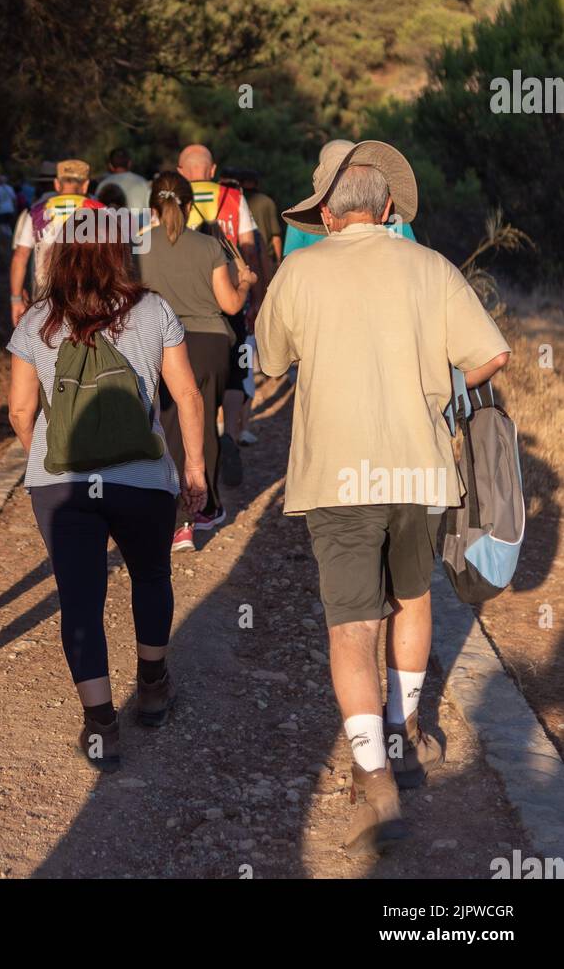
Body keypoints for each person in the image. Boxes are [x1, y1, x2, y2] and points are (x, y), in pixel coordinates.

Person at [254, 140, 510, 855]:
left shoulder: (300, 272)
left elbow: (268, 360)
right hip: (416, 468)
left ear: (327, 216)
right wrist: (438, 390)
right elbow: (491, 354)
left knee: (349, 624)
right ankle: (406, 732)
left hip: (338, 472)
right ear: (388, 206)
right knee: (412, 599)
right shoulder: (430, 268)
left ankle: (372, 778)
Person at [7, 229, 207, 771]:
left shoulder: (36, 320)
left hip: (63, 487)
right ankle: (152, 687)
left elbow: (20, 413)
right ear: (120, 257)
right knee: (150, 577)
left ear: (60, 261)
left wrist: (47, 457)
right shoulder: (153, 309)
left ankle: (100, 725)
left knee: (80, 597)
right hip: (141, 478)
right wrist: (193, 468)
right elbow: (186, 394)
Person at [137, 172, 255, 550]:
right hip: (211, 344)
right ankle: (205, 507)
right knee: (203, 421)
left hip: (159, 340)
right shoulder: (209, 246)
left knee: (169, 422)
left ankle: (179, 518)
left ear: (153, 208)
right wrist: (247, 282)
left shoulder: (136, 246)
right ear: (188, 206)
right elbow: (231, 305)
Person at [178, 144, 264, 485]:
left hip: (187, 301)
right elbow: (248, 248)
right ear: (211, 169)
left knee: (188, 373)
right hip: (230, 294)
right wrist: (254, 294)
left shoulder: (173, 199)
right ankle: (229, 433)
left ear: (182, 171)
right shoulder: (232, 196)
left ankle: (195, 439)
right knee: (233, 369)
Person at [283, 141, 418, 258]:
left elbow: (288, 258)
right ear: (387, 206)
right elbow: (412, 253)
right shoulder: (433, 262)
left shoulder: (296, 266)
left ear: (325, 212)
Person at [9, 158, 103, 325]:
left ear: (57, 184)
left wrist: (16, 299)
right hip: (90, 301)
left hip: (46, 301)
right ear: (86, 185)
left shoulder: (36, 212)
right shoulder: (100, 211)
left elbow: (20, 256)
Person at [95, 146, 151, 213]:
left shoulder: (103, 185)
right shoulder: (143, 183)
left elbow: (97, 210)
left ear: (110, 166)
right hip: (140, 222)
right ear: (129, 163)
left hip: (111, 222)